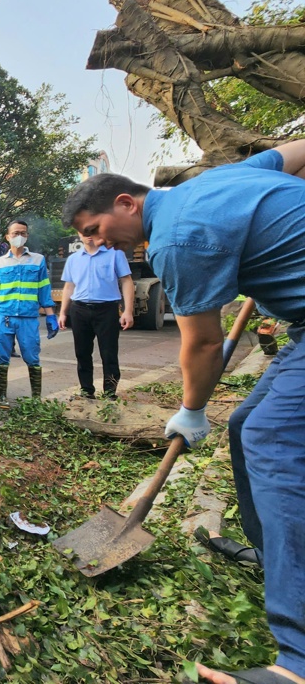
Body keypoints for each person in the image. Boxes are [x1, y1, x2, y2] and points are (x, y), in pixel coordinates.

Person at [62, 139, 305, 684]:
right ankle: (279, 557)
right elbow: (295, 152)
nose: (101, 243)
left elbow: (199, 344)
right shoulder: (216, 182)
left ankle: (299, 660)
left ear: (126, 203)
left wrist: (192, 410)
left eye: (97, 230)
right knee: (244, 426)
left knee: (271, 439)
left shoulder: (177, 238)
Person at [0, 220, 57, 408]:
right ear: (7, 237)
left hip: (28, 318)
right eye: (15, 233)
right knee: (2, 356)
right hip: (3, 316)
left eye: (22, 233)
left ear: (27, 236)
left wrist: (51, 315)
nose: (19, 236)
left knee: (32, 356)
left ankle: (36, 399)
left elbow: (44, 290)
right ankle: (2, 397)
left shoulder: (38, 260)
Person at [57, 237, 135, 399]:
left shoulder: (115, 254)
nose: (88, 234)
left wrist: (128, 310)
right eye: (84, 231)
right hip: (79, 309)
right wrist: (63, 312)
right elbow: (69, 286)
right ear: (79, 234)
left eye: (92, 230)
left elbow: (126, 280)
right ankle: (86, 390)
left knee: (109, 353)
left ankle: (110, 393)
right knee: (82, 352)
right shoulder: (73, 259)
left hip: (106, 310)